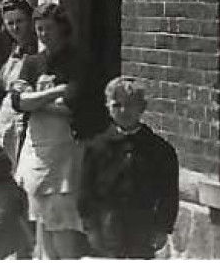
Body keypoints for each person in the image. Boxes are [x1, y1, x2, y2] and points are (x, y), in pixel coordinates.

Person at [12, 2, 105, 260]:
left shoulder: (79, 62)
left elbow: (72, 105)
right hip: (36, 150)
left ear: (63, 29)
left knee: (62, 221)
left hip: (65, 150)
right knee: (41, 221)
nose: (43, 35)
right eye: (39, 29)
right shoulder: (31, 63)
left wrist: (37, 99)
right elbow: (18, 102)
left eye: (49, 29)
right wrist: (55, 92)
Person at [77, 76, 180, 259]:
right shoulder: (96, 147)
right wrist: (90, 227)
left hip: (143, 223)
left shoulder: (159, 149)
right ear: (108, 107)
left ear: (142, 108)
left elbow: (169, 192)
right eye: (117, 105)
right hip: (107, 222)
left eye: (130, 105)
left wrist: (163, 227)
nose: (124, 111)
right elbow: (86, 190)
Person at [0, 0, 39, 161]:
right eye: (10, 23)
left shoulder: (36, 53)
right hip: (6, 118)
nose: (15, 27)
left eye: (20, 21)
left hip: (24, 119)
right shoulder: (13, 50)